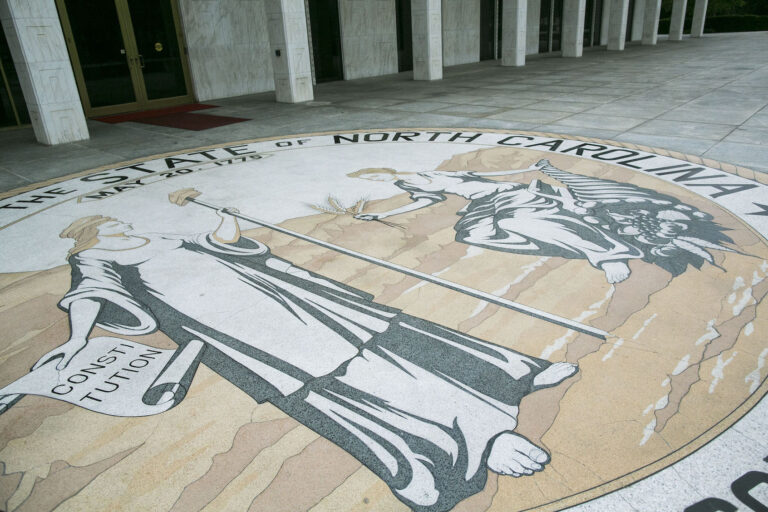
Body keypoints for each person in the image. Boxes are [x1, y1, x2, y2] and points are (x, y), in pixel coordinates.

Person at [34, 188, 578, 512]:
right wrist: (76, 340)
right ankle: (465, 444)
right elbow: (89, 297)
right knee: (338, 384)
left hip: (290, 298)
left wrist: (223, 214)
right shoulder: (96, 261)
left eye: (120, 222)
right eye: (112, 226)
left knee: (390, 339)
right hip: (239, 329)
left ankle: (515, 376)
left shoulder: (162, 240)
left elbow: (225, 244)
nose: (123, 227)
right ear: (94, 237)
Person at [350, 160, 644, 284]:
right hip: (480, 204)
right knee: (472, 234)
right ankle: (569, 244)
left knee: (519, 221)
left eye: (374, 176)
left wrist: (527, 169)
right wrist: (381, 215)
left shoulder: (429, 172)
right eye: (371, 180)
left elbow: (480, 176)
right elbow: (426, 201)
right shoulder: (407, 185)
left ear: (383, 171)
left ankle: (608, 255)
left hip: (504, 193)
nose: (377, 180)